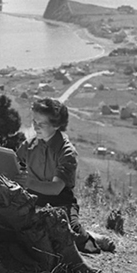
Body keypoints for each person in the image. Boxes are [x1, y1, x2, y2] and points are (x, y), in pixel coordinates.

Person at [15, 97, 113, 253]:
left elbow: (56, 188)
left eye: (41, 124)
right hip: (32, 198)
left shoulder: (67, 152)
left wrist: (29, 183)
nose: (36, 127)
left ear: (57, 125)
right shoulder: (29, 145)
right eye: (34, 122)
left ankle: (91, 238)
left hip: (60, 202)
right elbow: (15, 163)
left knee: (74, 235)